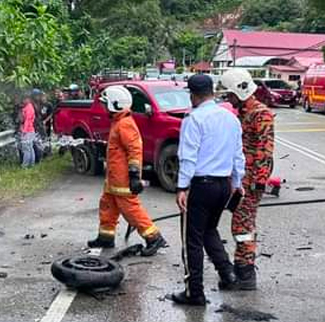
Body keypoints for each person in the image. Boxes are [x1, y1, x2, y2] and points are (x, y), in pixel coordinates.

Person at [168, 74, 245, 306]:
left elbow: (188, 158)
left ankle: (195, 291)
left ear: (193, 95)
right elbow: (238, 156)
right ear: (211, 92)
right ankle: (227, 273)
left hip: (201, 185)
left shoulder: (193, 119)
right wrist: (236, 183)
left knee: (192, 239)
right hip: (224, 185)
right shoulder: (230, 119)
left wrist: (182, 187)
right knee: (209, 229)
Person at [86, 85, 167, 256]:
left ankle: (154, 237)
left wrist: (134, 175)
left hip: (123, 179)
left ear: (115, 104)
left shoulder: (125, 124)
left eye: (105, 104)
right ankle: (106, 237)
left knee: (130, 209)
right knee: (107, 205)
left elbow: (135, 150)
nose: (103, 107)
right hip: (114, 178)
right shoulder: (119, 122)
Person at [220, 68, 274, 291]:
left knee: (243, 226)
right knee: (240, 224)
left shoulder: (260, 113)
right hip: (241, 178)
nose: (228, 98)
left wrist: (259, 180)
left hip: (251, 180)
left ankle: (245, 273)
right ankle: (242, 267)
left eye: (230, 94)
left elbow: (265, 148)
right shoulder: (243, 112)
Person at [18, 93, 37, 168]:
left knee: (26, 148)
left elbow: (27, 120)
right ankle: (31, 164)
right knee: (30, 148)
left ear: (28, 99)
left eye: (24, 99)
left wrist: (24, 131)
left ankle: (25, 165)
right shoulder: (29, 107)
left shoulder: (29, 108)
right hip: (30, 130)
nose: (23, 101)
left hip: (28, 131)